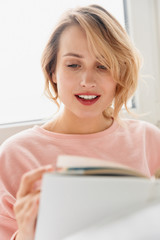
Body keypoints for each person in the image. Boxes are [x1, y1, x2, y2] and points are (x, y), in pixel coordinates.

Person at [0, 4, 160, 240]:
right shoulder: (15, 155)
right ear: (53, 70)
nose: (87, 80)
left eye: (103, 66)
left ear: (120, 73)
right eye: (73, 65)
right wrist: (25, 234)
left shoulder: (149, 140)